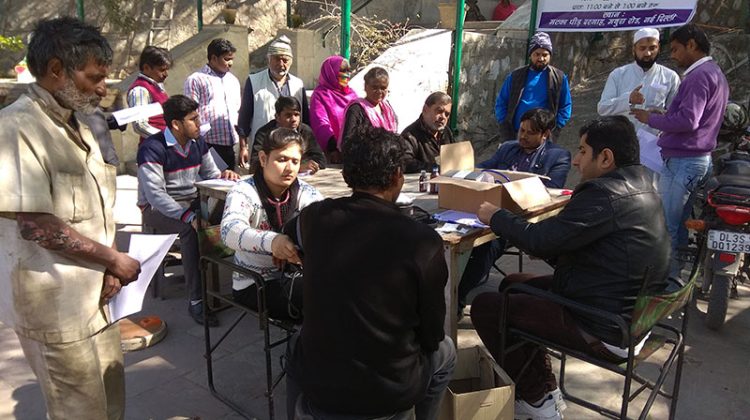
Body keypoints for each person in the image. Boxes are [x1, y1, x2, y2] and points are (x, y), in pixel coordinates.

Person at [470, 116, 669, 420]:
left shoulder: (604, 193)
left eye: (583, 151)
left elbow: (541, 240)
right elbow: (573, 245)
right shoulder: (646, 184)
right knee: (512, 283)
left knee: (486, 307)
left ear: (606, 158)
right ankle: (544, 387)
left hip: (606, 325)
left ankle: (536, 401)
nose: (576, 160)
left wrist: (496, 216)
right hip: (629, 312)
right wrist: (549, 248)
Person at [0, 17, 141, 419]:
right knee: (79, 412)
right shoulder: (16, 127)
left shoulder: (77, 122)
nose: (103, 89)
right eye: (94, 78)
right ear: (56, 70)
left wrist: (110, 267)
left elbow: (98, 207)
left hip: (97, 297)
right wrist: (113, 259)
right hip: (56, 307)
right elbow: (36, 225)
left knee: (111, 403)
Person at [284, 125, 455, 420]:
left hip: (321, 381)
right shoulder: (423, 242)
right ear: (397, 176)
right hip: (389, 389)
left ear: (346, 175)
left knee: (296, 342)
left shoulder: (315, 217)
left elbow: (290, 232)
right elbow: (432, 334)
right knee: (446, 350)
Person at [632, 23, 729, 277]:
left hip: (684, 160)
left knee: (667, 226)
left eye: (675, 49)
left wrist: (651, 119)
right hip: (696, 159)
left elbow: (688, 121)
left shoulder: (698, 76)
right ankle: (677, 277)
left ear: (692, 45)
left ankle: (668, 282)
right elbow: (695, 118)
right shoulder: (714, 72)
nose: (673, 56)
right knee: (680, 224)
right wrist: (665, 115)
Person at [137, 94, 240, 326]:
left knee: (230, 212)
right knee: (190, 230)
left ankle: (238, 280)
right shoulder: (151, 148)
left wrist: (225, 175)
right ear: (176, 124)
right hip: (157, 208)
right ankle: (197, 300)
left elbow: (211, 175)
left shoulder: (198, 142)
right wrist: (188, 216)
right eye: (193, 119)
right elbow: (155, 195)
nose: (199, 123)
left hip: (191, 200)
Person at [458, 108, 571, 316]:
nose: (523, 136)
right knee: (462, 236)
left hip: (526, 219)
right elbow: (483, 168)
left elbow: (553, 188)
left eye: (530, 133)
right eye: (521, 130)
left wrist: (517, 186)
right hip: (495, 209)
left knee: (488, 244)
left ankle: (457, 296)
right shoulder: (508, 148)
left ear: (545, 134)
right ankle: (451, 287)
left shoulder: (558, 156)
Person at [221, 127, 323, 321]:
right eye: (282, 159)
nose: (289, 168)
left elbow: (324, 224)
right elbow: (229, 231)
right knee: (323, 298)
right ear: (263, 159)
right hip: (255, 283)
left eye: (295, 161)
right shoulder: (243, 191)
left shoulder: (306, 193)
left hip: (296, 274)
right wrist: (273, 242)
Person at [598, 28, 680, 173]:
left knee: (650, 185)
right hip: (621, 143)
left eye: (652, 48)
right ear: (634, 49)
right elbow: (603, 108)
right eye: (642, 48)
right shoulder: (618, 75)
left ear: (659, 48)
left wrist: (661, 114)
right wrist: (628, 99)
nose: (647, 53)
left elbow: (676, 114)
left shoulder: (670, 77)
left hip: (654, 146)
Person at [238, 36, 308, 168]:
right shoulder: (254, 81)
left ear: (291, 61)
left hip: (291, 146)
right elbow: (244, 116)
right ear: (268, 59)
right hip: (263, 144)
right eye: (277, 59)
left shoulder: (298, 84)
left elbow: (305, 120)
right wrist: (243, 147)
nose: (281, 64)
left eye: (285, 60)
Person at [494, 32, 572, 142]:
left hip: (543, 137)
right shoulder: (515, 76)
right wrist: (504, 125)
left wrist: (556, 126)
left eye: (545, 55)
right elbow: (501, 103)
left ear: (550, 56)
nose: (541, 58)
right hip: (514, 134)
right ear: (530, 54)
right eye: (537, 54)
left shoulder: (559, 78)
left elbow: (566, 106)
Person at [184, 38, 241, 170]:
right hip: (207, 144)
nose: (231, 63)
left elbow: (237, 109)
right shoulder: (196, 80)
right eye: (227, 59)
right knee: (210, 180)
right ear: (214, 58)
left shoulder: (233, 80)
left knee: (228, 179)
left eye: (232, 59)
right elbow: (189, 113)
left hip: (230, 145)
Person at [252, 96, 326, 173]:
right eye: (288, 115)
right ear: (277, 117)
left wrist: (306, 165)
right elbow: (255, 164)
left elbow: (320, 159)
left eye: (296, 115)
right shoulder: (264, 134)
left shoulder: (305, 131)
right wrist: (297, 167)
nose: (294, 119)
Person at [309, 55, 359, 164]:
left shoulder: (352, 94)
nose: (347, 74)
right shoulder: (320, 95)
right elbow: (321, 123)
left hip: (354, 151)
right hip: (333, 154)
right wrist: (333, 148)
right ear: (331, 72)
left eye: (348, 70)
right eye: (343, 70)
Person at [340, 66, 398, 147]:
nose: (379, 91)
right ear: (365, 86)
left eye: (383, 88)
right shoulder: (356, 110)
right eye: (375, 87)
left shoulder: (387, 108)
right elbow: (348, 141)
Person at [400, 91, 455, 173]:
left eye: (447, 114)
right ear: (425, 109)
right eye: (439, 111)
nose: (443, 117)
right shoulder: (409, 135)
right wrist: (435, 168)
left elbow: (454, 157)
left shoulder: (446, 132)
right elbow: (406, 163)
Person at [127, 45, 173, 142]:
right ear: (146, 68)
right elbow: (140, 125)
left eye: (166, 70)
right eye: (162, 70)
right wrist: (168, 139)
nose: (166, 74)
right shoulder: (139, 90)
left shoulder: (157, 86)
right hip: (155, 146)